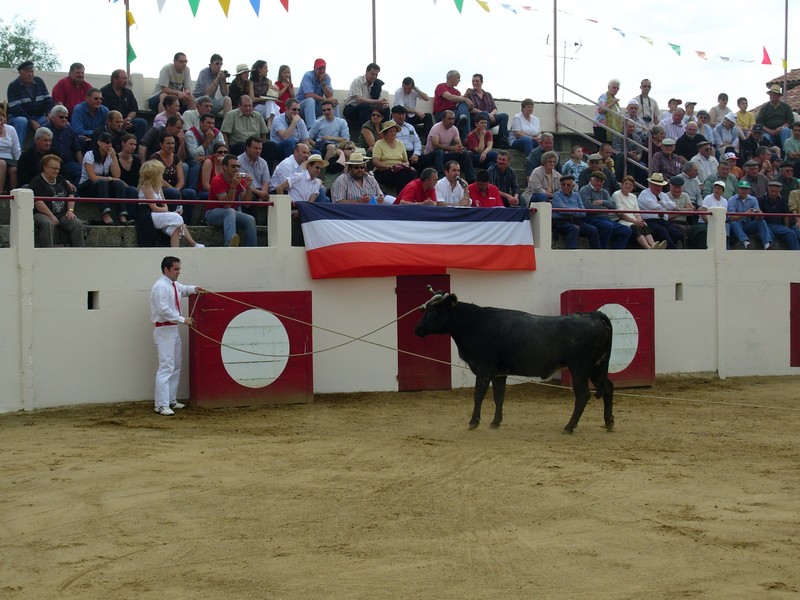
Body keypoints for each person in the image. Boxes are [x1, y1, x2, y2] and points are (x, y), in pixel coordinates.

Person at [150, 256, 205, 416]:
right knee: (166, 366)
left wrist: (195, 289)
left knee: (175, 365)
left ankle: (170, 400)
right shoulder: (161, 286)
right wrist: (183, 319)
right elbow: (163, 310)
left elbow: (184, 289)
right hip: (164, 329)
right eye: (176, 269)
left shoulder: (172, 284)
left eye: (179, 269)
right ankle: (161, 404)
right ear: (166, 269)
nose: (178, 272)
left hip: (171, 329)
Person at [138, 160, 202, 248]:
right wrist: (167, 211)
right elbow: (154, 207)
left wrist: (167, 211)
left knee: (175, 228)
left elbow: (164, 204)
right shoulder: (147, 186)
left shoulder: (158, 186)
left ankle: (175, 252)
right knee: (177, 218)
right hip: (148, 215)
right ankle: (192, 244)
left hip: (159, 213)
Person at [79, 131, 138, 225]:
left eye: (111, 143)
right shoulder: (89, 155)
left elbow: (117, 175)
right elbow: (93, 177)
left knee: (118, 184)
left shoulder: (110, 156)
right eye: (107, 142)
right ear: (99, 143)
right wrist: (112, 179)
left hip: (103, 187)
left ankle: (122, 215)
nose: (109, 145)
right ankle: (105, 215)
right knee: (102, 182)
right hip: (87, 187)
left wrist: (114, 157)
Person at [30, 154, 85, 248]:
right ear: (45, 167)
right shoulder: (36, 182)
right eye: (54, 168)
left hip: (62, 214)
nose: (57, 171)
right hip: (42, 213)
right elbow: (38, 202)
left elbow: (70, 195)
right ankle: (48, 251)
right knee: (47, 223)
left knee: (77, 223)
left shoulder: (60, 179)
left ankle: (79, 251)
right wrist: (51, 216)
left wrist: (70, 210)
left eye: (58, 169)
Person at [206, 153, 257, 247]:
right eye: (233, 166)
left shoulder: (239, 180)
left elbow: (247, 204)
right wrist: (233, 186)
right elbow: (226, 205)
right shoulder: (217, 180)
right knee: (230, 211)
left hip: (230, 214)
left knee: (250, 219)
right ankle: (229, 243)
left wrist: (249, 187)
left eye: (238, 166)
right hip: (212, 214)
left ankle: (252, 248)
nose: (236, 169)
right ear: (225, 167)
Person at [150, 131, 198, 221]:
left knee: (190, 193)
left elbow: (181, 179)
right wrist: (173, 190)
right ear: (161, 145)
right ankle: (171, 219)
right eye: (168, 143)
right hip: (160, 189)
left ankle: (186, 221)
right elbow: (158, 179)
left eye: (173, 143)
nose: (171, 146)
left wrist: (177, 189)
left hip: (175, 188)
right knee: (173, 193)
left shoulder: (176, 158)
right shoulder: (155, 158)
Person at [578, 170, 632, 249]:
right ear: (591, 180)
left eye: (601, 181)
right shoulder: (584, 190)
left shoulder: (604, 192)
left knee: (626, 230)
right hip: (590, 218)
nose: (599, 183)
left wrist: (602, 202)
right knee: (607, 226)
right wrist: (605, 207)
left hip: (604, 219)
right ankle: (602, 252)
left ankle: (615, 254)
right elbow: (588, 207)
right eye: (597, 180)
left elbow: (613, 205)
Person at [6, 61, 54, 147]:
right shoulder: (13, 86)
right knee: (22, 121)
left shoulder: (39, 81)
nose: (30, 74)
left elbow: (47, 99)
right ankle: (18, 149)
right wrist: (31, 121)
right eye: (27, 72)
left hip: (38, 116)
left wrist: (50, 112)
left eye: (32, 71)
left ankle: (41, 149)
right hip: (18, 116)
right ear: (20, 72)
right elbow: (16, 109)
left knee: (49, 122)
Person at [611, 175, 664, 249]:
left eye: (630, 185)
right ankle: (648, 248)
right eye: (626, 184)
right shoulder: (616, 194)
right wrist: (635, 222)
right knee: (636, 227)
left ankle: (654, 245)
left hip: (633, 220)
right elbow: (620, 213)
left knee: (643, 225)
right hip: (621, 220)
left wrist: (640, 221)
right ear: (622, 185)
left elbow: (637, 212)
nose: (628, 186)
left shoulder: (633, 196)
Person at [551, 174, 601, 249]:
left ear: (573, 186)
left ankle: (597, 254)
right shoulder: (556, 195)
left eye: (568, 185)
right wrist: (575, 209)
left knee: (592, 230)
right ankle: (571, 253)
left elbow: (583, 213)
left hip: (576, 221)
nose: (565, 186)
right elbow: (562, 211)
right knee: (574, 228)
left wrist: (568, 209)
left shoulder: (576, 195)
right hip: (560, 222)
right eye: (563, 184)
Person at [423, 111, 474, 181]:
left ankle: (471, 179)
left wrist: (460, 148)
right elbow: (435, 145)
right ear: (443, 119)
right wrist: (452, 148)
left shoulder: (454, 129)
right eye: (449, 119)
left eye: (453, 119)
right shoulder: (436, 128)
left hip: (444, 154)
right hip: (431, 155)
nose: (451, 121)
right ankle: (441, 177)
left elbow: (458, 143)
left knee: (464, 153)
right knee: (440, 152)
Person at [637, 172, 684, 249]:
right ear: (650, 184)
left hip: (663, 221)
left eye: (660, 186)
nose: (658, 188)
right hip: (649, 221)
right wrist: (665, 207)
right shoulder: (644, 194)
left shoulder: (663, 195)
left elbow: (673, 206)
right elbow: (653, 206)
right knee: (662, 231)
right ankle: (673, 251)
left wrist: (661, 203)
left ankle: (667, 250)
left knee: (677, 234)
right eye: (656, 185)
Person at [101, 69, 148, 141]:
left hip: (127, 121)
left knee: (142, 123)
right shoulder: (104, 91)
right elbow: (105, 111)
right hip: (112, 122)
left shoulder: (128, 92)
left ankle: (135, 147)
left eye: (126, 78)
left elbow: (134, 110)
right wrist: (120, 122)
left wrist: (128, 119)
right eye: (123, 78)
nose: (126, 81)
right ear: (114, 79)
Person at [464, 74, 509, 148]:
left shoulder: (488, 95)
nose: (475, 83)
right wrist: (487, 114)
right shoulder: (470, 95)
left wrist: (491, 114)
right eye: (473, 81)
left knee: (504, 116)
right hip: (476, 119)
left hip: (490, 118)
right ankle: (486, 141)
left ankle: (503, 142)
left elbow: (494, 108)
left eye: (477, 81)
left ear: (482, 82)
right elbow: (471, 109)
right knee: (484, 114)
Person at [371, 120, 415, 194]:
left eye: (395, 131)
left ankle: (409, 196)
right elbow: (375, 162)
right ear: (385, 133)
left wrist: (405, 165)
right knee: (402, 174)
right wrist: (392, 167)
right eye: (391, 131)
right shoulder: (379, 144)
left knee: (410, 173)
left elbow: (405, 160)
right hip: (382, 171)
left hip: (400, 169)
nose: (393, 133)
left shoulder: (400, 144)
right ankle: (400, 198)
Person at [727, 180, 772, 249]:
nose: (744, 191)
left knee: (762, 222)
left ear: (748, 190)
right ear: (738, 189)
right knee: (734, 223)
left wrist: (759, 215)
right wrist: (745, 214)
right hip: (737, 225)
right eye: (742, 189)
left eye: (746, 189)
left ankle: (767, 244)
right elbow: (731, 218)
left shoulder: (753, 199)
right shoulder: (731, 200)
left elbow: (758, 213)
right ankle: (746, 242)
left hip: (748, 224)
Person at [185, 113, 225, 190]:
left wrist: (208, 157)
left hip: (212, 158)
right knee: (197, 165)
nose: (211, 126)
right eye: (208, 123)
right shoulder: (191, 133)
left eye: (213, 123)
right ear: (201, 123)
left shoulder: (217, 133)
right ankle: (192, 190)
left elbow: (222, 151)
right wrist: (207, 140)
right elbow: (195, 155)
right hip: (193, 160)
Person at [46, 105, 83, 185]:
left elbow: (77, 149)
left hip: (69, 163)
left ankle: (76, 193)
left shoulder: (70, 130)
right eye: (61, 117)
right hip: (51, 164)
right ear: (53, 118)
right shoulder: (45, 130)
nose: (64, 119)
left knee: (81, 173)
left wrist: (81, 165)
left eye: (66, 117)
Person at [760, 180, 800, 249]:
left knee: (791, 233)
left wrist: (786, 227)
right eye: (772, 191)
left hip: (779, 226)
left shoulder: (782, 199)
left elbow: (785, 215)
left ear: (779, 192)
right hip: (766, 225)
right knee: (769, 236)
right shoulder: (761, 199)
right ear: (768, 189)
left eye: (776, 192)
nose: (774, 193)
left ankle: (796, 255)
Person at [297, 58, 337, 126]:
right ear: (314, 68)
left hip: (316, 107)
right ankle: (311, 130)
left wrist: (323, 83)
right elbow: (308, 95)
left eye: (323, 68)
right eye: (319, 69)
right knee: (310, 101)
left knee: (333, 102)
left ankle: (336, 128)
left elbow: (330, 95)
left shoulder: (326, 77)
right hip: (301, 107)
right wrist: (326, 99)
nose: (322, 71)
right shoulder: (308, 75)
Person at [433, 70, 472, 139]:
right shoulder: (441, 86)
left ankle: (462, 117)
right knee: (463, 103)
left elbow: (465, 101)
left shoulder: (457, 91)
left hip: (453, 113)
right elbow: (450, 97)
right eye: (458, 78)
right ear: (451, 77)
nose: (459, 80)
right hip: (442, 113)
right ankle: (467, 138)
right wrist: (465, 98)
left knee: (463, 105)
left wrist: (466, 96)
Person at [692, 180, 730, 249]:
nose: (716, 190)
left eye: (719, 189)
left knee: (726, 227)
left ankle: (725, 248)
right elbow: (703, 213)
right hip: (704, 223)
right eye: (715, 188)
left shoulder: (724, 201)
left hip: (718, 224)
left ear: (723, 191)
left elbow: (724, 215)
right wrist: (711, 223)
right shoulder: (708, 198)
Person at [250, 60, 281, 127]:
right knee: (272, 106)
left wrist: (276, 91)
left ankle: (269, 125)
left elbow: (270, 96)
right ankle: (275, 126)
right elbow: (252, 98)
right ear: (259, 69)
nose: (267, 70)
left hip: (267, 106)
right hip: (257, 106)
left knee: (270, 102)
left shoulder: (268, 81)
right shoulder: (251, 82)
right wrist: (263, 99)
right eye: (265, 68)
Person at [593, 79, 622, 143]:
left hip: (611, 129)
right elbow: (600, 110)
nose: (616, 90)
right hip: (601, 127)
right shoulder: (604, 96)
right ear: (609, 87)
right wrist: (612, 103)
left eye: (618, 88)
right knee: (603, 149)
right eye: (614, 87)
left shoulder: (614, 99)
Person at [0, 109, 21, 192]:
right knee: (2, 164)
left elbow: (16, 148)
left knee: (14, 170)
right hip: (1, 161)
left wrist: (19, 161)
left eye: (1, 120)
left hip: (9, 159)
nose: (0, 123)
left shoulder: (11, 129)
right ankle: (0, 193)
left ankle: (13, 194)